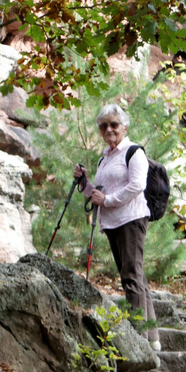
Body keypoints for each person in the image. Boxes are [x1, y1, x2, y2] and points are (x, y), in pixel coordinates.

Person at [73, 103, 161, 352]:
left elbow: (137, 186)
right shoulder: (105, 157)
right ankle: (152, 339)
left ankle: (137, 339)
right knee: (136, 277)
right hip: (112, 222)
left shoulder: (134, 152)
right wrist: (85, 182)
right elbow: (97, 194)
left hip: (131, 220)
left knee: (131, 277)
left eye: (114, 124)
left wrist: (108, 201)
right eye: (104, 126)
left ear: (124, 127)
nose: (109, 129)